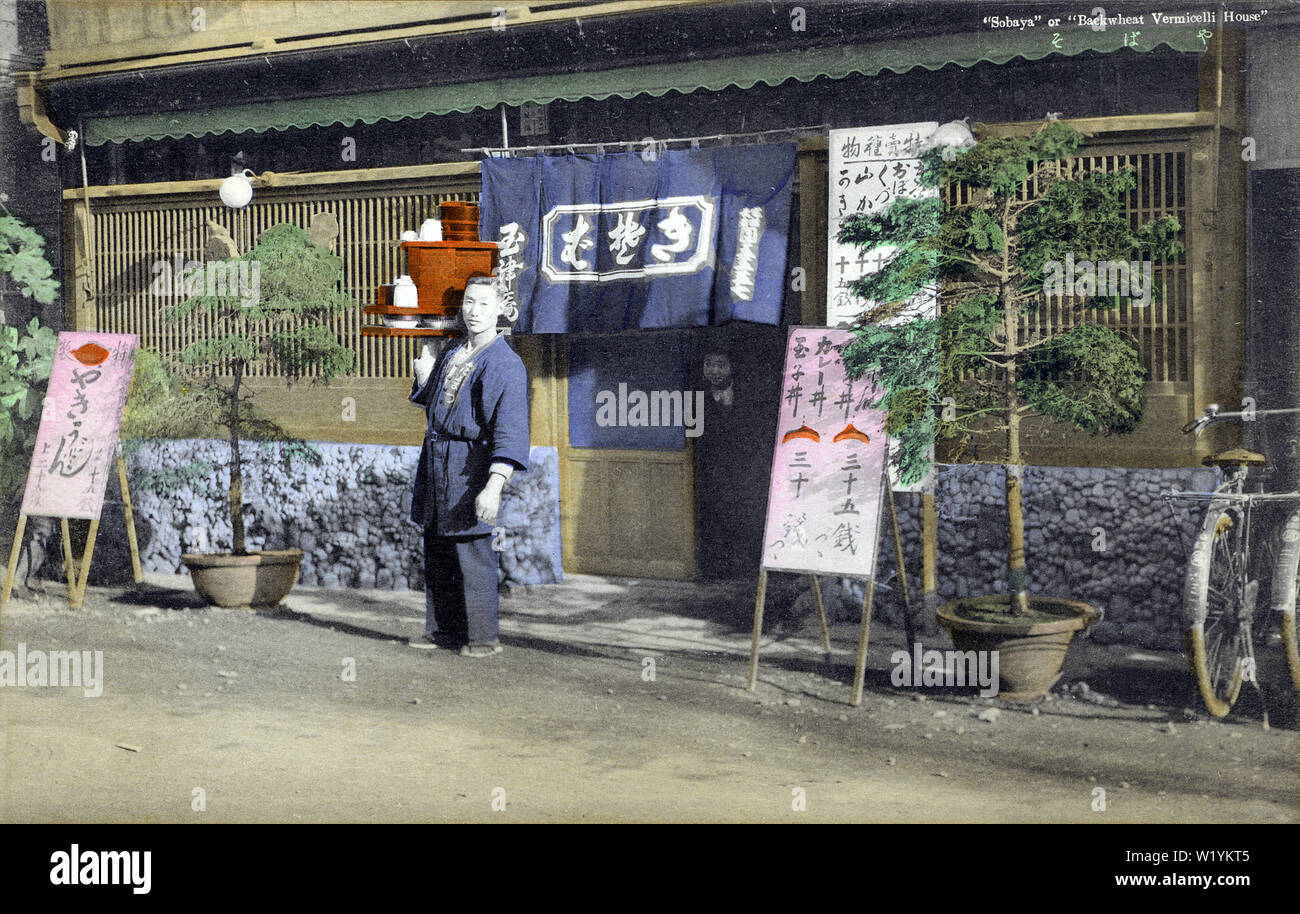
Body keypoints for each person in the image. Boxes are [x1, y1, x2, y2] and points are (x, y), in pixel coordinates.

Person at [407, 275, 529, 657]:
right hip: (437, 461)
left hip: (470, 465)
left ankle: (482, 637)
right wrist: (426, 363)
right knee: (439, 547)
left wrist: (493, 486)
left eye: (483, 304)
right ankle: (444, 629)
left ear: (500, 310)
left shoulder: (505, 363)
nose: (474, 313)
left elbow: (510, 431)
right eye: (469, 303)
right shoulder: (455, 350)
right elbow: (435, 403)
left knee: (474, 552)